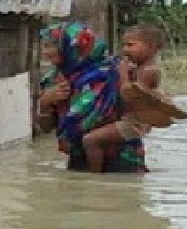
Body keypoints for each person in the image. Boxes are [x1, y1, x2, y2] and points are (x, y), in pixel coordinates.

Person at [34, 21, 146, 173]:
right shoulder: (53, 80)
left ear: (73, 46)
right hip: (79, 159)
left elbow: (138, 114)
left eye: (50, 46)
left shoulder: (114, 72)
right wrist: (45, 102)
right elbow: (45, 128)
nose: (45, 52)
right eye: (44, 46)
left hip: (121, 160)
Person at [81, 24, 165, 173]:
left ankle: (94, 178)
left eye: (131, 45)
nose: (125, 49)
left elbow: (130, 94)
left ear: (151, 47)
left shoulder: (148, 71)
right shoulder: (139, 68)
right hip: (129, 120)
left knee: (90, 140)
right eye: (124, 45)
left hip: (133, 123)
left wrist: (123, 74)